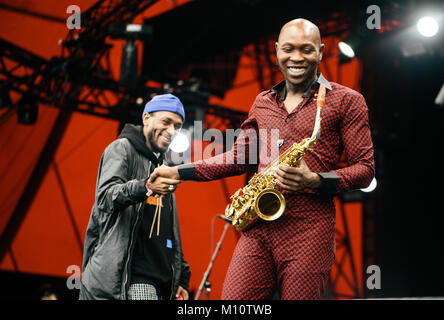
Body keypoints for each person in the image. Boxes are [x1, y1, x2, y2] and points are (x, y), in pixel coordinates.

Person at [150, 18, 375, 300]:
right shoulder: (263, 102)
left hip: (309, 231)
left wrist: (316, 180)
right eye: (289, 49)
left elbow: (365, 170)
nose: (296, 57)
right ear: (277, 50)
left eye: (306, 50)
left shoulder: (347, 100)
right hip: (259, 225)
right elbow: (239, 157)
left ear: (320, 51)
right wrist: (178, 171)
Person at [79, 94, 190, 300]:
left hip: (162, 284)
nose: (172, 131)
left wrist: (181, 278)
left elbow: (169, 230)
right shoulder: (122, 148)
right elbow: (105, 198)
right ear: (146, 117)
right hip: (132, 280)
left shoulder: (163, 166)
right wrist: (146, 186)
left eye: (177, 126)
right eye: (166, 122)